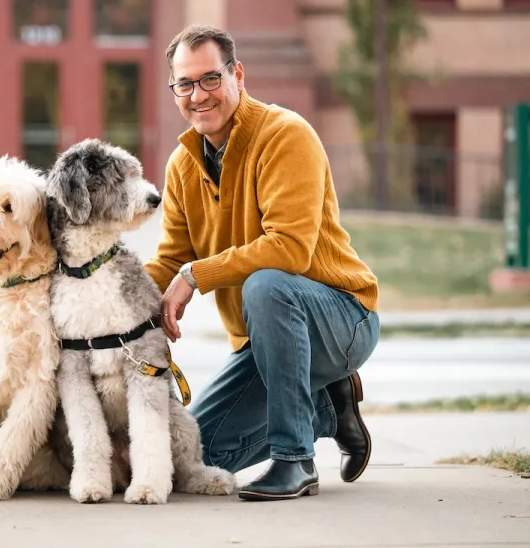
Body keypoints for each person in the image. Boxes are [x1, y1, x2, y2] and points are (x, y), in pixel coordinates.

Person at [145, 25, 381, 501]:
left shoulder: (285, 135)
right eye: (184, 84)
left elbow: (289, 248)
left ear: (237, 75)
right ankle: (327, 412)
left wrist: (195, 276)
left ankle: (295, 460)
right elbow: (170, 258)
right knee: (193, 455)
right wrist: (114, 296)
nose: (198, 95)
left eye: (210, 79)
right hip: (264, 342)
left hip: (342, 317)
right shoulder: (181, 165)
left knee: (267, 284)